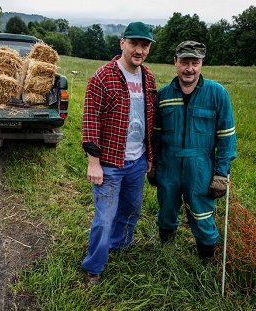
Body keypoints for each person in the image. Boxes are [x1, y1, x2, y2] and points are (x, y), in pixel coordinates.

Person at [81, 22, 156, 284]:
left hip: (137, 160)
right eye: (134, 43)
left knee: (132, 209)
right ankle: (94, 267)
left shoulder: (148, 77)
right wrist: (94, 163)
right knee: (105, 216)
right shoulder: (102, 77)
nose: (139, 50)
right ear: (122, 43)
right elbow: (90, 121)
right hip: (110, 162)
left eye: (144, 45)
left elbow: (149, 119)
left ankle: (119, 246)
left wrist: (149, 156)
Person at [149, 41, 236, 260]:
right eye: (184, 62)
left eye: (195, 63)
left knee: (202, 215)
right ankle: (165, 254)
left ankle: (205, 262)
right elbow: (155, 136)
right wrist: (153, 164)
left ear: (202, 63)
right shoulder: (163, 95)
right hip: (168, 166)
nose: (189, 69)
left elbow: (226, 137)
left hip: (200, 168)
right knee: (166, 212)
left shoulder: (217, 94)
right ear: (175, 62)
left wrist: (220, 173)